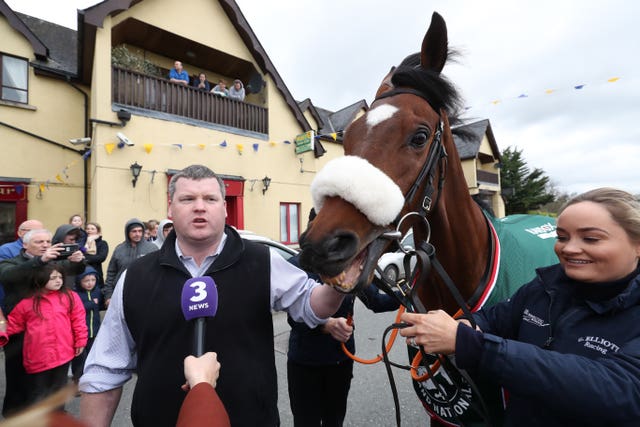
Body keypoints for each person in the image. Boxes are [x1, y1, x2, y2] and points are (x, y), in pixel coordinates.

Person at [79, 164, 345, 427]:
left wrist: (342, 278)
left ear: (225, 208)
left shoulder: (263, 261)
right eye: (187, 199)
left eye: (210, 198)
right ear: (170, 209)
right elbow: (104, 372)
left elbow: (314, 306)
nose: (199, 206)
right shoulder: (135, 276)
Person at [399, 187, 640, 426]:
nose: (569, 248)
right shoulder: (546, 286)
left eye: (590, 238)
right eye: (562, 237)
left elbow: (621, 391)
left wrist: (472, 345)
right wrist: (464, 326)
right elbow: (494, 318)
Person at [287, 258, 400, 427]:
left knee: (334, 421)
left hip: (340, 362)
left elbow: (377, 301)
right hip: (304, 364)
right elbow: (293, 316)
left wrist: (411, 291)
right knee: (305, 422)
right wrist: (326, 325)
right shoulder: (298, 264)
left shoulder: (349, 265)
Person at [0, 229, 85, 416]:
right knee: (18, 377)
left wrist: (79, 261)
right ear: (24, 244)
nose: (45, 245)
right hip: (20, 329)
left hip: (52, 329)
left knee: (53, 379)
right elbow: (8, 275)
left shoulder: (52, 260)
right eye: (39, 242)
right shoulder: (12, 261)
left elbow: (72, 269)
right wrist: (40, 261)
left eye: (47, 241)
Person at [102, 218, 157, 306]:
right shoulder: (119, 249)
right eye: (134, 231)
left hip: (145, 295)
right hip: (121, 295)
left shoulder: (152, 249)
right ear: (128, 232)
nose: (137, 234)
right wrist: (108, 296)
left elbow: (158, 273)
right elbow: (111, 274)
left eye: (140, 231)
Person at [0, 219, 43, 311]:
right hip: (15, 302)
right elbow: (7, 275)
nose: (39, 235)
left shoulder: (45, 248)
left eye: (41, 232)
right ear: (20, 233)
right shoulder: (6, 250)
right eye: (34, 232)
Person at [71, 267, 103, 384]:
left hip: (94, 330)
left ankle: (90, 379)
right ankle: (77, 380)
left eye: (93, 280)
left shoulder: (98, 292)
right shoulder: (75, 294)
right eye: (86, 281)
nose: (90, 283)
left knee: (92, 356)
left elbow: (100, 306)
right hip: (80, 333)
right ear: (79, 281)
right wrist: (91, 304)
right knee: (79, 358)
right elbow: (76, 309)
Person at [83, 222, 109, 289]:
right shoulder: (82, 243)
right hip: (82, 274)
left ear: (98, 231)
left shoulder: (102, 243)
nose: (89, 230)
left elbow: (101, 258)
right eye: (87, 229)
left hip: (96, 274)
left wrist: (84, 258)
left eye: (92, 229)